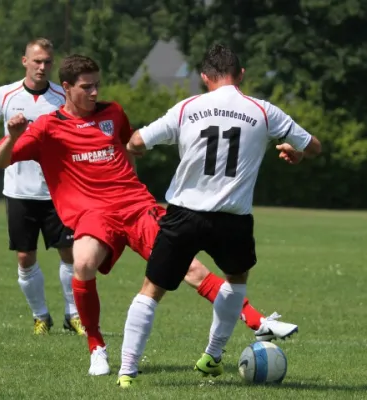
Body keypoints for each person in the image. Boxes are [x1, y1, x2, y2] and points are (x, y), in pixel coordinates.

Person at [0, 54, 299, 376]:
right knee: (82, 262)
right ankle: (96, 347)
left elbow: (130, 147)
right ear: (67, 87)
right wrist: (13, 136)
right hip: (94, 214)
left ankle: (256, 320)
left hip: (135, 205)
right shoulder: (47, 126)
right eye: (87, 87)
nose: (95, 92)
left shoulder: (113, 113)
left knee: (190, 268)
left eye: (97, 84)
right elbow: (1, 162)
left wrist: (135, 185)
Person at [116, 44, 321, 387]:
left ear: (203, 78)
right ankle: (212, 356)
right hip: (233, 219)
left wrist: (167, 144)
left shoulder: (187, 108)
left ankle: (126, 371)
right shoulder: (263, 110)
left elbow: (136, 142)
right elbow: (313, 146)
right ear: (241, 75)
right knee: (236, 280)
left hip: (183, 214)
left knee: (151, 290)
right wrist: (296, 153)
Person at [0, 38, 84, 335]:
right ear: (24, 61)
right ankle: (41, 316)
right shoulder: (4, 95)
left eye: (47, 62)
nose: (42, 67)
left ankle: (73, 315)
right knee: (25, 257)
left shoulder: (63, 97)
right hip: (18, 191)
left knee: (71, 253)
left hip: (58, 192)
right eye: (36, 61)